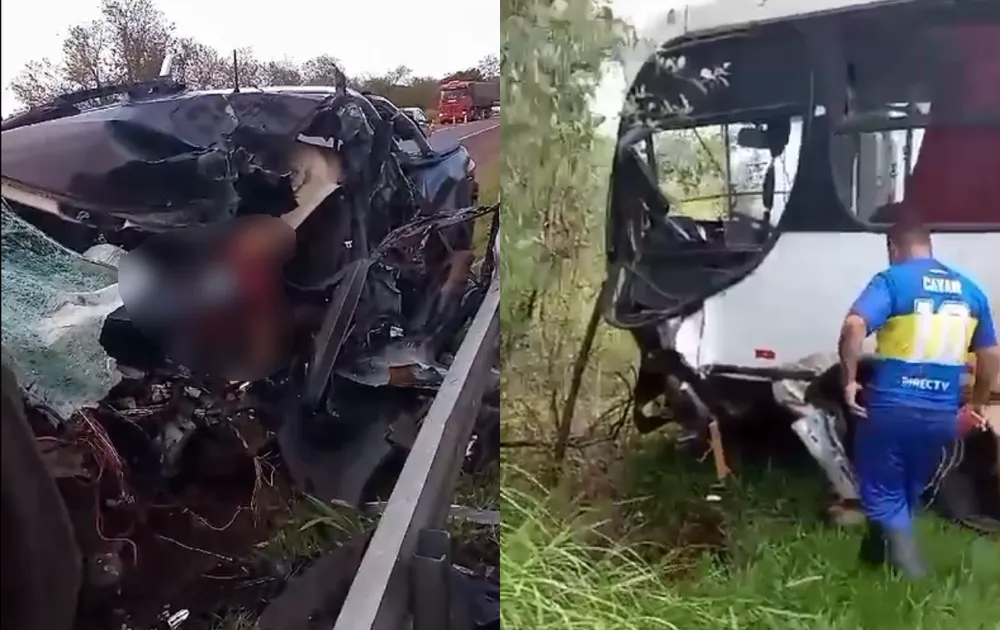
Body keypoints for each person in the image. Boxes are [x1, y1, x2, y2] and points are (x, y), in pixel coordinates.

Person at [837, 218, 999, 578]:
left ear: (893, 247)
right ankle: (871, 563)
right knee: (902, 492)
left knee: (882, 490)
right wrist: (976, 404)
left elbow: (853, 326)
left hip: (892, 408)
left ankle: (913, 580)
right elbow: (991, 355)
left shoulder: (892, 281)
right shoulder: (970, 290)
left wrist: (849, 381)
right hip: (941, 415)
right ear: (929, 246)